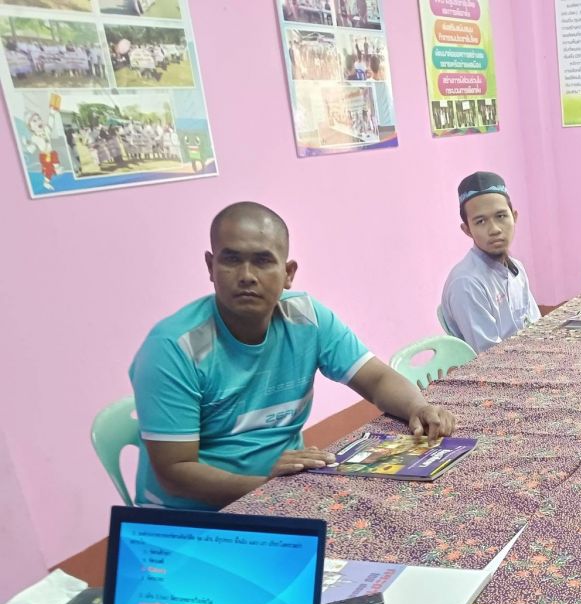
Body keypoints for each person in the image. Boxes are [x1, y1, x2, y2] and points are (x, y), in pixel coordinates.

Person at [130, 201, 456, 510]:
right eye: (231, 260)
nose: (247, 275)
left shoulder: (306, 318)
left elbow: (376, 378)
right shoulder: (174, 347)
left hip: (285, 492)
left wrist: (418, 407)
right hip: (197, 519)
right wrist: (265, 486)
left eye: (263, 261)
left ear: (288, 273)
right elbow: (175, 472)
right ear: (210, 267)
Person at [438, 171, 539, 353]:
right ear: (467, 230)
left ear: (514, 217)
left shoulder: (516, 268)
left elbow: (535, 325)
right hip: (498, 367)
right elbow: (491, 357)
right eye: (481, 221)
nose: (494, 230)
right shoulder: (466, 283)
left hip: (528, 357)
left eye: (501, 216)